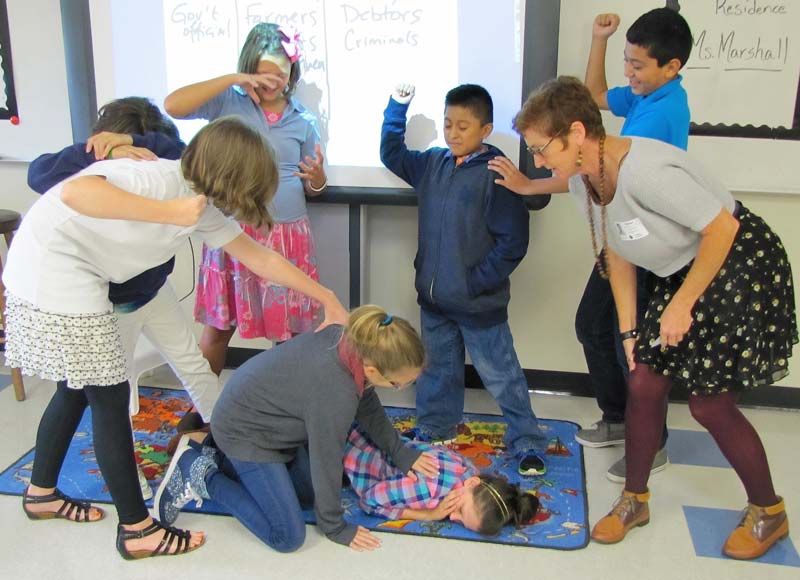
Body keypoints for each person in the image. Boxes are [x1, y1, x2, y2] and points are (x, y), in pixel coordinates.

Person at [4, 116, 347, 560]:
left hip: (72, 272)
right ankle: (137, 530)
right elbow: (74, 192)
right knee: (108, 397)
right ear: (234, 177)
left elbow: (260, 259)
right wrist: (170, 213)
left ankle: (41, 494)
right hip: (54, 269)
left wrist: (326, 297)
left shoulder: (204, 209)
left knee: (74, 390)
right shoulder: (156, 177)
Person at [513, 76, 795, 559]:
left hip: (735, 262)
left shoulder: (645, 171)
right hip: (678, 269)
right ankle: (635, 500)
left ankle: (769, 511)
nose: (538, 162)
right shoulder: (583, 181)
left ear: (576, 133)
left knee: (709, 405)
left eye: (541, 149)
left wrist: (683, 304)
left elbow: (722, 228)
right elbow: (618, 252)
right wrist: (629, 329)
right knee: (643, 381)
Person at [489, 7, 693, 482]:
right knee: (596, 327)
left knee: (634, 347)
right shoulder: (646, 95)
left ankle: (651, 442)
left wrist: (530, 185)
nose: (629, 73)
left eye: (637, 65)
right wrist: (600, 39)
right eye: (627, 61)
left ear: (671, 67)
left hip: (650, 245)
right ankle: (620, 418)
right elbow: (596, 97)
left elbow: (591, 170)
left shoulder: (660, 115)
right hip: (624, 235)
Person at [26, 96, 217, 499]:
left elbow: (185, 152)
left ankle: (228, 433)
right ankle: (128, 481)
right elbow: (38, 172)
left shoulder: (166, 162)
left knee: (191, 363)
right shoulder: (90, 170)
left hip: (153, 289)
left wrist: (133, 141)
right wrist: (102, 151)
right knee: (114, 397)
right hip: (111, 303)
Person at [154, 306, 434, 552]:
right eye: (397, 384)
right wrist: (334, 525)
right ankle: (201, 474)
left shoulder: (357, 342)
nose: (400, 388)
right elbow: (327, 456)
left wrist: (401, 453)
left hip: (268, 423)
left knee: (309, 495)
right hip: (245, 435)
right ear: (372, 370)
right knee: (287, 536)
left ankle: (212, 449)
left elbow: (368, 404)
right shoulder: (335, 391)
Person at [380, 83, 548, 477]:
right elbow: (392, 154)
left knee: (501, 375)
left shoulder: (496, 173)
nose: (452, 134)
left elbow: (513, 242)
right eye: (447, 124)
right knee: (437, 368)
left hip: (478, 303)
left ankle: (527, 440)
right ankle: (436, 427)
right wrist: (397, 108)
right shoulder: (433, 164)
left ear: (485, 130)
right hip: (435, 301)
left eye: (463, 126)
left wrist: (476, 282)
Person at [164, 23, 327, 379]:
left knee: (291, 334)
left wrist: (317, 180)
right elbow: (173, 105)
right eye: (264, 73)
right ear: (249, 68)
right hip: (231, 232)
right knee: (218, 328)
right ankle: (204, 405)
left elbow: (314, 186)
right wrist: (233, 79)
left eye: (281, 74)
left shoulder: (303, 118)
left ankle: (284, 404)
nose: (273, 82)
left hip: (287, 236)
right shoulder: (227, 101)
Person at [344, 426, 539, 535]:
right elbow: (369, 501)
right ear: (472, 484)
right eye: (460, 510)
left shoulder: (470, 471)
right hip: (344, 451)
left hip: (365, 431)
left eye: (460, 521)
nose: (452, 517)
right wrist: (429, 514)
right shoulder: (425, 490)